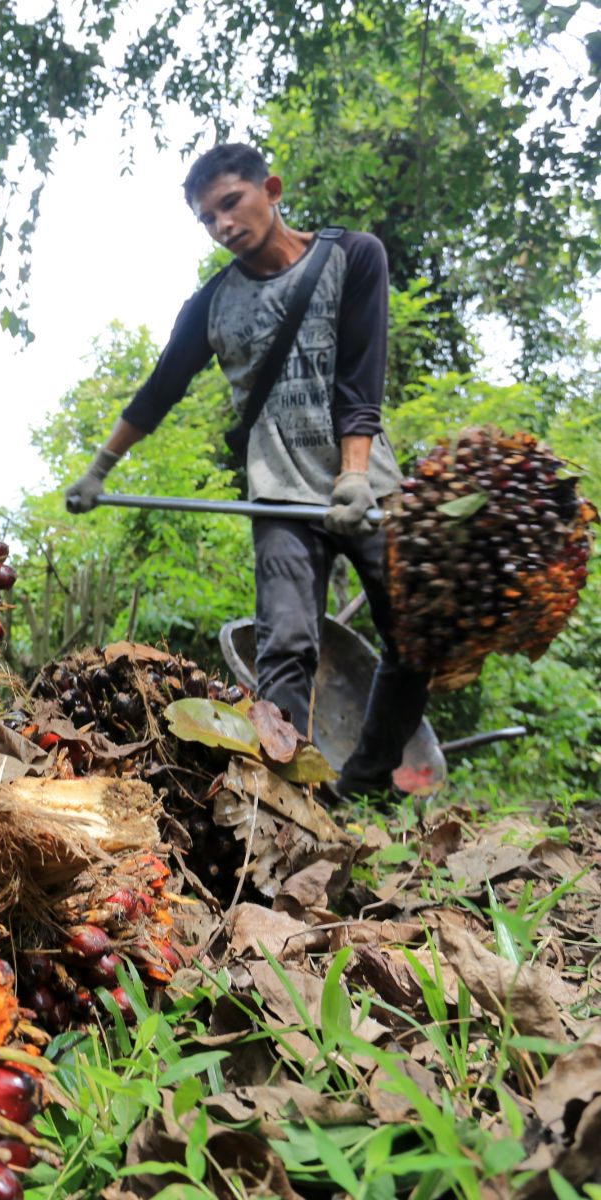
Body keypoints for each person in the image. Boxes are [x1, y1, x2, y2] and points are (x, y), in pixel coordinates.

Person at [62, 143, 428, 799]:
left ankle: (364, 784)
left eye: (231, 203)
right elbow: (158, 391)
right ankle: (289, 799)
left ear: (272, 189)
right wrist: (98, 469)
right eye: (208, 218)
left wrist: (352, 475)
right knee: (285, 645)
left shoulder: (354, 256)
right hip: (279, 500)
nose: (223, 225)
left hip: (367, 488)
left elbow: (360, 376)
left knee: (416, 635)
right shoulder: (212, 305)